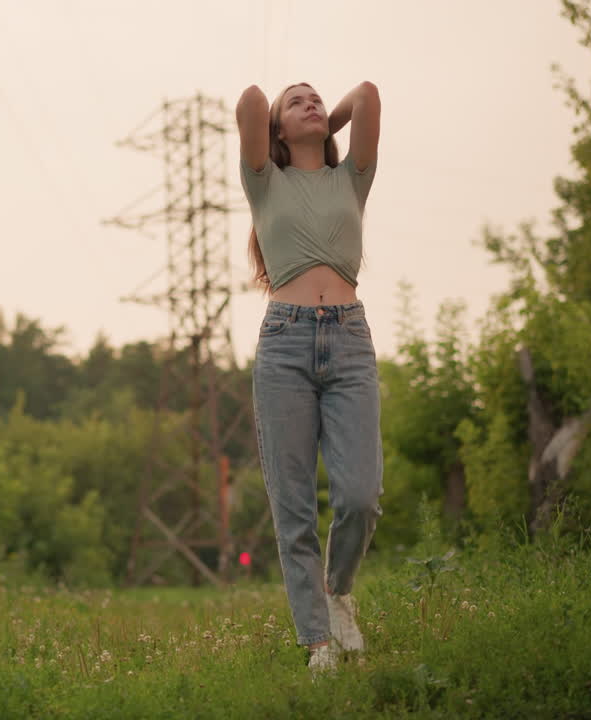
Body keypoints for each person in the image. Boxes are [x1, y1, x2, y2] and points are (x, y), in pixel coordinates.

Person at [235, 81, 383, 674]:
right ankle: (318, 644)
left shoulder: (352, 179)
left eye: (317, 97)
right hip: (285, 346)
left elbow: (367, 95)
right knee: (293, 505)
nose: (312, 103)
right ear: (276, 130)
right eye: (297, 102)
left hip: (349, 340)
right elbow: (250, 100)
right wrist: (281, 122)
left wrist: (323, 123)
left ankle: (338, 591)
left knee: (360, 496)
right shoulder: (263, 182)